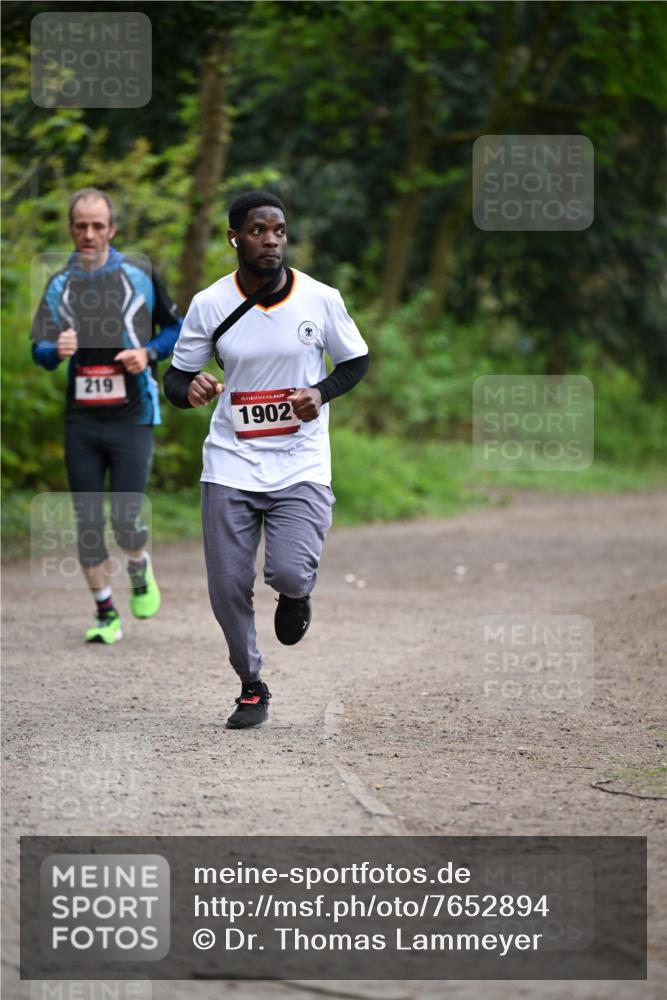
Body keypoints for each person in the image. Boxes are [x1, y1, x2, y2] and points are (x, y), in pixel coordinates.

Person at [164, 190, 369, 729]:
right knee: (228, 585)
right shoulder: (210, 303)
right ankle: (251, 685)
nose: (271, 240)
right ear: (235, 237)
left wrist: (320, 393)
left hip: (300, 462)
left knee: (287, 570)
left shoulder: (320, 298)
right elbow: (175, 377)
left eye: (278, 230)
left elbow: (356, 361)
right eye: (258, 230)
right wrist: (192, 388)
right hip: (231, 461)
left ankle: (296, 596)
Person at [31, 187, 183, 644]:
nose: (89, 234)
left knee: (126, 519)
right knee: (89, 522)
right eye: (81, 226)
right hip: (81, 419)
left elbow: (176, 327)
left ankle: (139, 564)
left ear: (112, 230)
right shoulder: (59, 284)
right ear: (71, 229)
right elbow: (37, 350)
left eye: (98, 226)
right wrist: (53, 350)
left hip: (132, 415)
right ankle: (105, 614)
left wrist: (149, 352)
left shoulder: (139, 273)